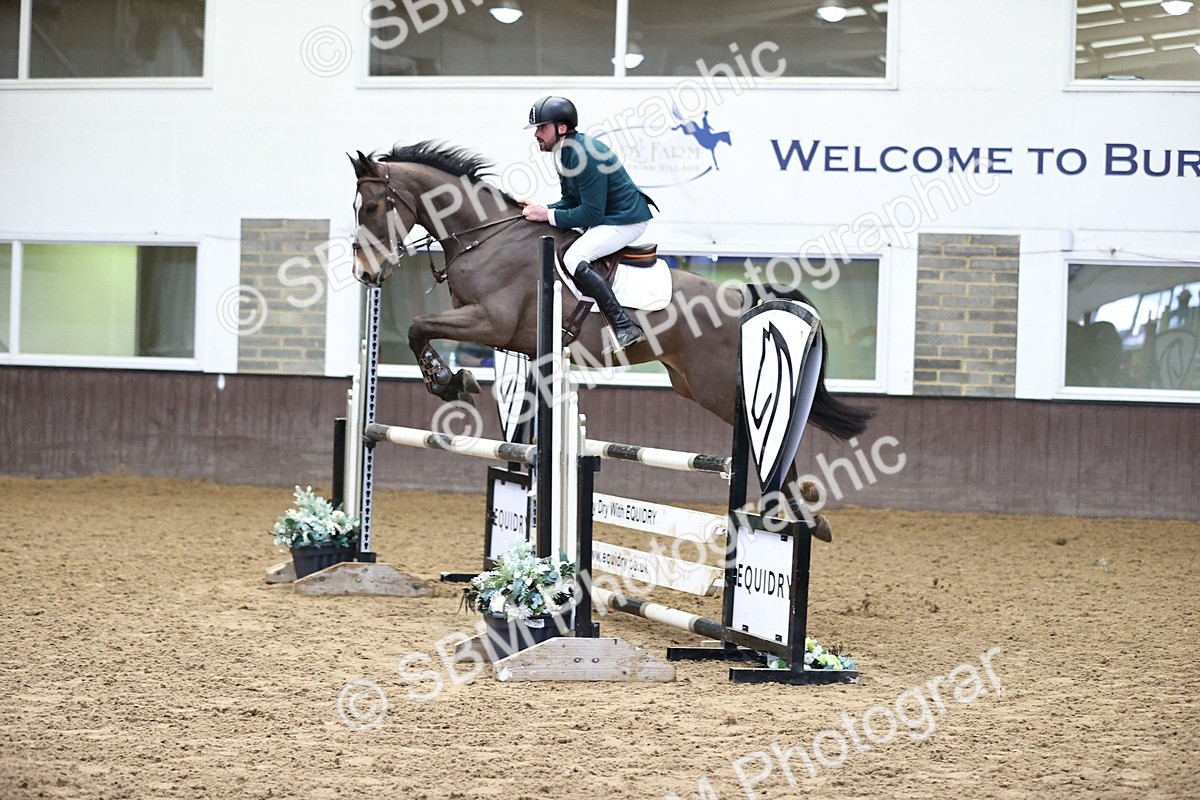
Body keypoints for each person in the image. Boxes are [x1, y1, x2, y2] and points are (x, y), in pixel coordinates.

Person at [521, 96, 654, 353]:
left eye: (542, 127)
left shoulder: (585, 154)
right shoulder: (564, 153)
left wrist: (547, 216)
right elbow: (571, 200)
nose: (536, 134)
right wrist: (543, 209)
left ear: (562, 128)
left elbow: (591, 214)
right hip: (607, 216)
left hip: (626, 219)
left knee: (574, 257)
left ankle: (624, 325)